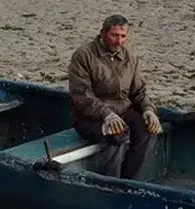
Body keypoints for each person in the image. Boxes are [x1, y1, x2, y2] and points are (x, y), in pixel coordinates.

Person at [67, 14, 161, 179]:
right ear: (102, 33)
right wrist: (106, 114)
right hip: (90, 117)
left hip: (122, 110)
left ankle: (129, 180)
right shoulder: (83, 56)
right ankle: (111, 181)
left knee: (147, 130)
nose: (119, 41)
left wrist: (148, 109)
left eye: (123, 36)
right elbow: (82, 96)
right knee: (116, 132)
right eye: (114, 35)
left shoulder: (130, 58)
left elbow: (139, 92)